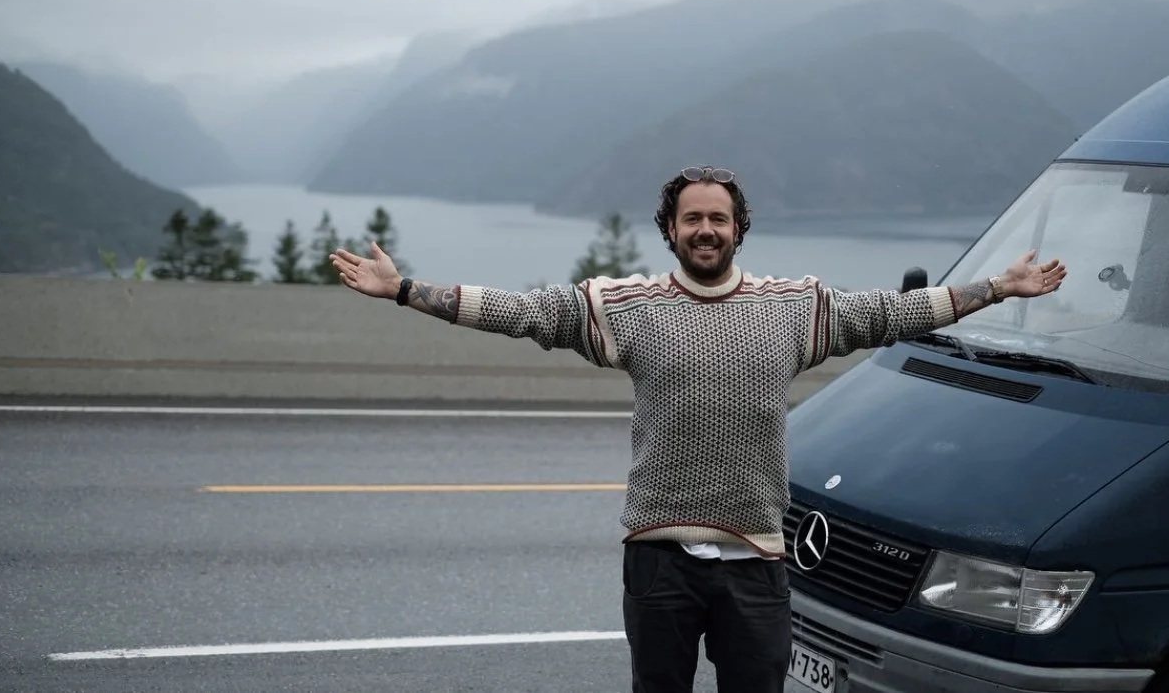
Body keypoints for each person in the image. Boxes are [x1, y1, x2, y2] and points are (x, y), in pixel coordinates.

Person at [329, 165, 1067, 693]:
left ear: (739, 228)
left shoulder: (793, 307)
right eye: (692, 219)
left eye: (719, 218)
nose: (706, 230)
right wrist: (405, 291)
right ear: (670, 230)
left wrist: (995, 288)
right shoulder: (625, 306)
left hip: (756, 559)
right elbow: (523, 312)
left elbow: (890, 313)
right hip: (661, 561)